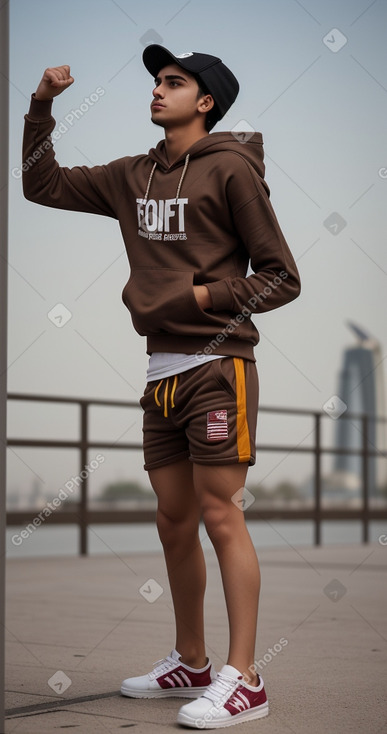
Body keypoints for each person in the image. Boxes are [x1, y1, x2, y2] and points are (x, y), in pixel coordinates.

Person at [22, 44, 300, 729]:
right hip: (159, 373)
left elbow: (280, 276)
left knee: (219, 515)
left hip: (217, 366)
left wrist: (203, 295)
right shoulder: (131, 175)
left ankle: (245, 677)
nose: (157, 90)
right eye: (155, 80)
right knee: (173, 522)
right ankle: (191, 660)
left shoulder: (231, 169)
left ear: (204, 101)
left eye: (173, 82)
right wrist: (41, 105)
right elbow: (41, 185)